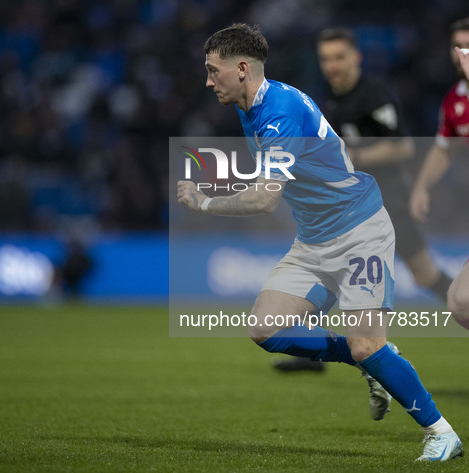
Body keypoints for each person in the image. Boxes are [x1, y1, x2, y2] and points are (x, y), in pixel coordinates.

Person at [177, 23, 463, 461]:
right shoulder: (249, 101)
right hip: (314, 239)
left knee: (368, 343)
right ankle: (365, 361)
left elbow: (265, 198)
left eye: (213, 71)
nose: (209, 80)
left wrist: (204, 202)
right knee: (265, 329)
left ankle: (442, 432)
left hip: (359, 231)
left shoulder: (279, 112)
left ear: (241, 69)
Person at [275, 27, 454, 374]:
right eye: (326, 59)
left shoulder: (374, 96)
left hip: (389, 204)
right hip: (347, 207)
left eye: (339, 57)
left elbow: (402, 146)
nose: (332, 65)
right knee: (327, 272)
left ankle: (462, 307)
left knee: (424, 273)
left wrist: (351, 155)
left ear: (355, 57)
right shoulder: (325, 99)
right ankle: (308, 351)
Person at [410, 18, 469, 328]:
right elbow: (444, 148)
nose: (462, 53)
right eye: (456, 46)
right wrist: (422, 187)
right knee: (460, 302)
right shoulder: (455, 101)